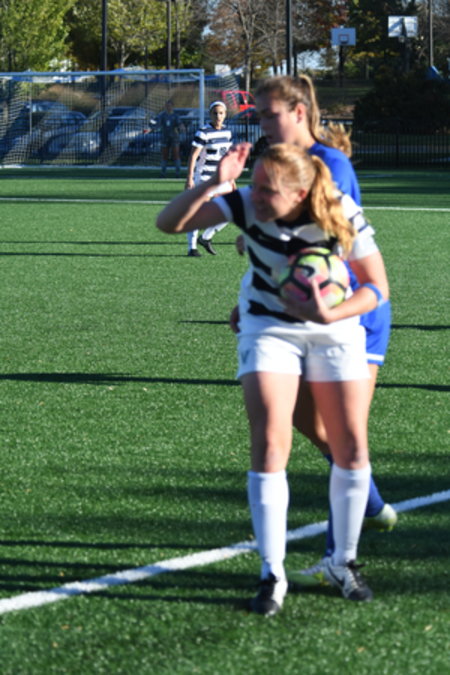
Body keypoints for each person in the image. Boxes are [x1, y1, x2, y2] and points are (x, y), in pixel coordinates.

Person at [157, 141, 390, 615]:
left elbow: (376, 287)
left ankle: (342, 563)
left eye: (269, 190)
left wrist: (331, 312)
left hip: (334, 329)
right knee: (269, 443)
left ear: (300, 193)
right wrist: (215, 181)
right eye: (255, 185)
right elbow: (170, 223)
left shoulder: (338, 210)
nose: (257, 196)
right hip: (269, 328)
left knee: (350, 447)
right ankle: (272, 574)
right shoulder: (245, 201)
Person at [239, 75, 397, 584]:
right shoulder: (275, 164)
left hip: (348, 311)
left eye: (269, 114)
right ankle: (368, 500)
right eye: (258, 114)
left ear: (299, 112)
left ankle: (338, 559)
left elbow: (331, 248)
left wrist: (323, 303)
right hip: (291, 312)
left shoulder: (331, 165)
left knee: (347, 435)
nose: (262, 123)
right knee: (305, 424)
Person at [184, 101, 234, 257]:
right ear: (210, 114)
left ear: (225, 115)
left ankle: (205, 238)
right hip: (204, 178)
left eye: (221, 113)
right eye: (215, 113)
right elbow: (193, 156)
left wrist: (231, 179)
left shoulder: (227, 132)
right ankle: (192, 248)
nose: (218, 116)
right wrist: (190, 178)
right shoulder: (203, 133)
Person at [159, 100, 182, 178]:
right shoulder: (162, 115)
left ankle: (177, 173)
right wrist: (150, 128)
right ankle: (163, 173)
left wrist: (181, 127)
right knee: (164, 155)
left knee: (176, 155)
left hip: (174, 138)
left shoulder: (175, 116)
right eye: (167, 106)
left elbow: (179, 124)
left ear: (172, 106)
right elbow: (157, 124)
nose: (168, 107)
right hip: (165, 137)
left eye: (170, 106)